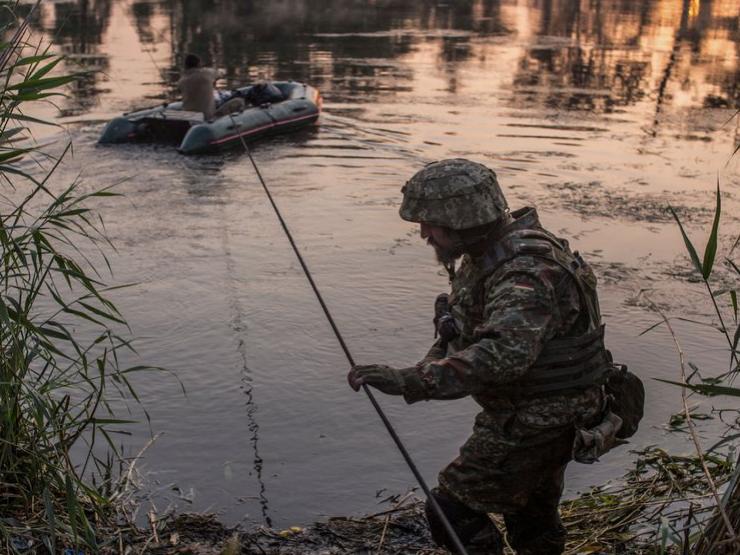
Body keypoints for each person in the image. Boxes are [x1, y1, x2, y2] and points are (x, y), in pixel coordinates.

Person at [347, 159, 613, 555]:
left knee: (451, 507)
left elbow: (502, 357)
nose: (423, 234)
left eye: (429, 223)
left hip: (539, 419)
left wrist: (410, 381)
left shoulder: (525, 269)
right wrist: (452, 323)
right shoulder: (494, 250)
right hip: (549, 411)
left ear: (462, 219)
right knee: (531, 515)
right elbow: (491, 334)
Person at [178, 54, 245, 120]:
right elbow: (219, 74)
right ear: (199, 64)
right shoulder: (207, 73)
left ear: (185, 66)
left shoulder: (181, 80)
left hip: (187, 116)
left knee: (169, 112)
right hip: (205, 116)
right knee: (239, 101)